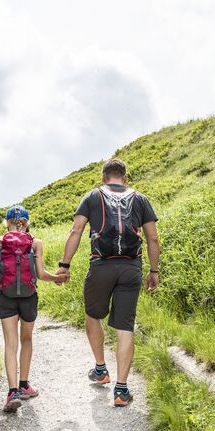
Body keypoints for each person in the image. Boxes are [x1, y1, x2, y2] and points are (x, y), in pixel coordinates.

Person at [56, 158, 160, 407]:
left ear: (104, 178)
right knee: (125, 326)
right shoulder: (141, 198)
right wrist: (154, 271)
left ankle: (101, 369)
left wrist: (64, 265)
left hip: (101, 265)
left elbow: (76, 231)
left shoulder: (92, 196)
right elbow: (153, 239)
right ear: (125, 178)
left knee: (93, 315)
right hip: (131, 267)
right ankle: (122, 390)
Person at [0, 205, 67, 413]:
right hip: (29, 298)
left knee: (10, 344)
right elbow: (40, 274)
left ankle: (12, 391)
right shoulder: (35, 243)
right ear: (27, 222)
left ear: (7, 223)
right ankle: (24, 385)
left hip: (7, 298)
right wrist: (57, 278)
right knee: (27, 339)